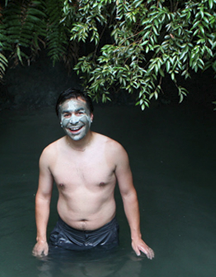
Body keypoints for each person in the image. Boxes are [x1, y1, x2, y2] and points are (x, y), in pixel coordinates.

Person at [32, 87, 154, 259]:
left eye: (79, 112)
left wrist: (137, 237)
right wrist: (41, 238)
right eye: (66, 115)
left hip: (104, 234)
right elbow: (43, 196)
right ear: (60, 120)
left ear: (90, 116)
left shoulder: (114, 151)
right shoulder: (49, 155)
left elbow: (128, 193)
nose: (73, 121)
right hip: (65, 234)